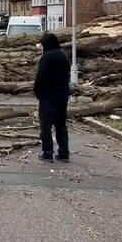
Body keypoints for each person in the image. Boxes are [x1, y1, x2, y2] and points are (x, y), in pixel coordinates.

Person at [33, 33, 71, 163]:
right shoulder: (64, 55)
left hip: (48, 97)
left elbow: (41, 77)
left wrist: (37, 92)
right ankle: (64, 152)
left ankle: (47, 153)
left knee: (46, 126)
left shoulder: (47, 57)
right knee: (61, 125)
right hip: (63, 96)